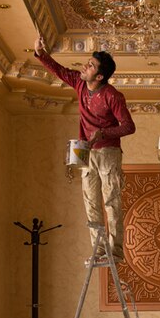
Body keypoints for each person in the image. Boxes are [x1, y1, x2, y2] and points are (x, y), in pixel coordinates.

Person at [34, 36, 135, 262]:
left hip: (108, 153)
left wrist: (104, 133)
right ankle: (99, 251)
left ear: (99, 76)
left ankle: (115, 252)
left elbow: (129, 126)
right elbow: (58, 70)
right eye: (87, 62)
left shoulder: (112, 96)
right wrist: (41, 53)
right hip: (87, 152)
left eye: (90, 66)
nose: (85, 66)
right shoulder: (80, 84)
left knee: (111, 202)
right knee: (91, 203)